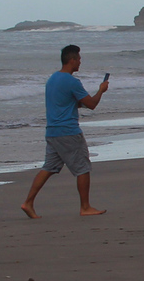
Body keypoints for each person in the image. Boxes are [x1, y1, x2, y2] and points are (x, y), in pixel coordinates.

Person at [21, 44, 109, 218]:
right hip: (68, 131)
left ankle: (28, 202)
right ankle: (85, 207)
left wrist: (80, 101)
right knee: (83, 167)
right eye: (79, 59)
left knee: (49, 167)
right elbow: (91, 104)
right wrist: (101, 90)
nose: (80, 63)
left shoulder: (52, 79)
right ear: (72, 60)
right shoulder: (71, 81)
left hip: (52, 131)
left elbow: (67, 102)